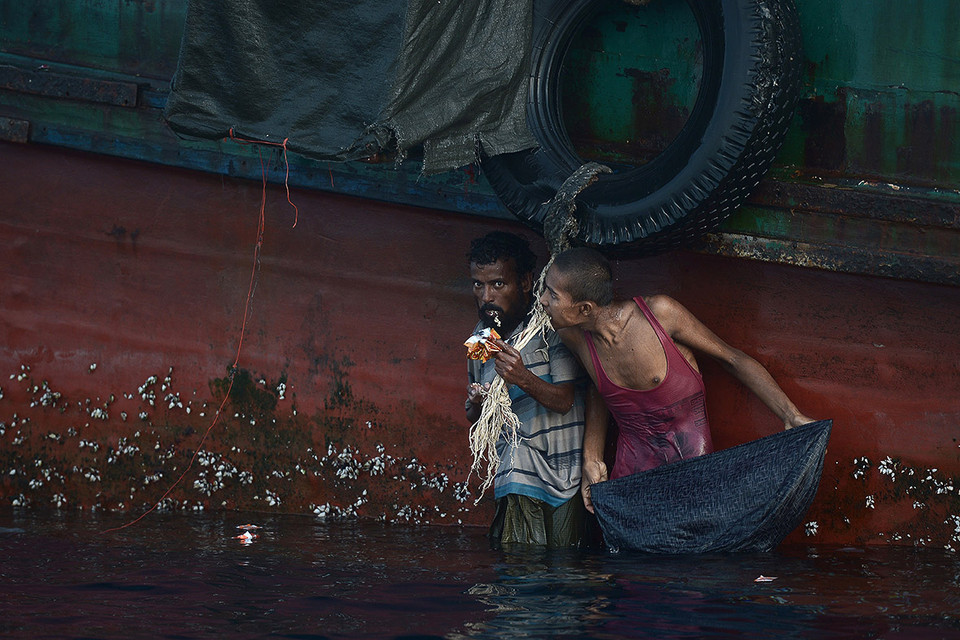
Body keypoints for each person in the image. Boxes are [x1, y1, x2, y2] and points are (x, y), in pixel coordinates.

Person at [538, 247, 814, 512]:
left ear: (585, 308)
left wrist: (791, 415)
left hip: (691, 472)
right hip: (631, 480)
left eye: (553, 294)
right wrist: (592, 458)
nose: (543, 301)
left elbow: (732, 359)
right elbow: (600, 390)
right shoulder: (573, 336)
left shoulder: (661, 315)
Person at [465, 231, 587, 547]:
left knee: (564, 572)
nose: (486, 295)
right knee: (518, 569)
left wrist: (522, 377)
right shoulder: (480, 337)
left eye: (497, 284)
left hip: (564, 475)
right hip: (516, 474)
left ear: (525, 281)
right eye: (478, 284)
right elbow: (475, 415)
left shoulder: (550, 328)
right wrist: (477, 402)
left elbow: (565, 401)